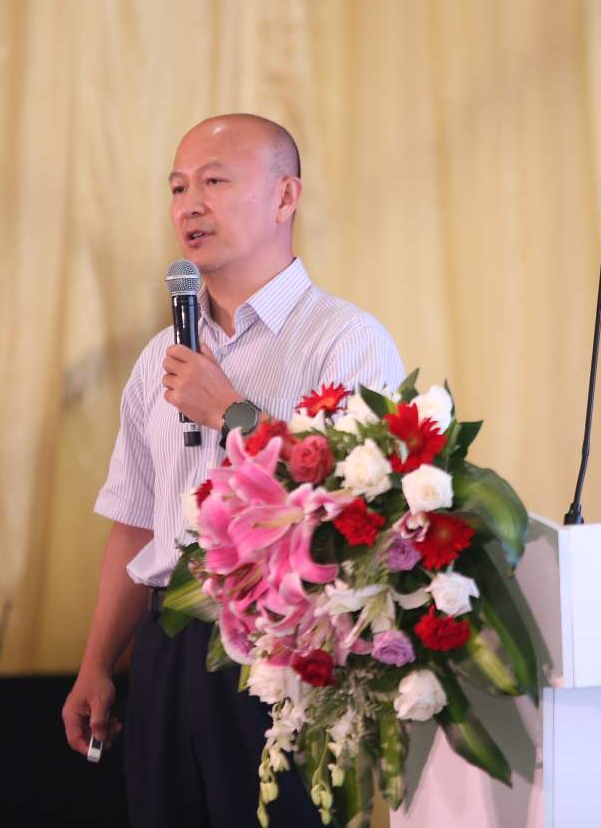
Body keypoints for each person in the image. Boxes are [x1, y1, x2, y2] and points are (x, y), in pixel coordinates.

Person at [61, 114, 405, 827]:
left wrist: (232, 412)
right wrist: (97, 662)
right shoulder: (159, 357)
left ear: (286, 197)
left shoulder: (344, 340)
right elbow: (136, 523)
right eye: (178, 188)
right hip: (167, 648)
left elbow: (360, 511)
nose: (191, 204)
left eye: (215, 181)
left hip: (288, 647)